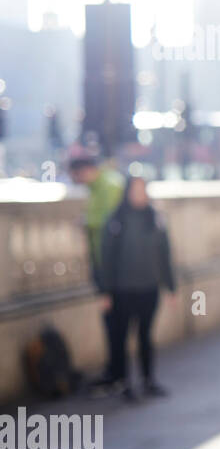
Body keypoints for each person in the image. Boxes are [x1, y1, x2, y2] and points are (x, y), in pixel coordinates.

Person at [99, 176, 177, 400]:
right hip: (123, 290)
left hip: (149, 288)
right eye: (135, 190)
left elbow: (165, 255)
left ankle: (148, 380)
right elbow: (107, 257)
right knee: (121, 338)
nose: (139, 194)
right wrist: (105, 291)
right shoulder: (116, 219)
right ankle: (124, 383)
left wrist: (171, 287)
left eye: (143, 190)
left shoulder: (155, 218)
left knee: (145, 336)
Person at [68, 148, 125, 390]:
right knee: (111, 319)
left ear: (84, 171)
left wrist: (86, 222)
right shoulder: (101, 186)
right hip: (105, 266)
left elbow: (109, 224)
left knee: (115, 320)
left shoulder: (109, 185)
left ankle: (117, 373)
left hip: (111, 269)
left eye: (75, 175)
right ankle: (115, 371)